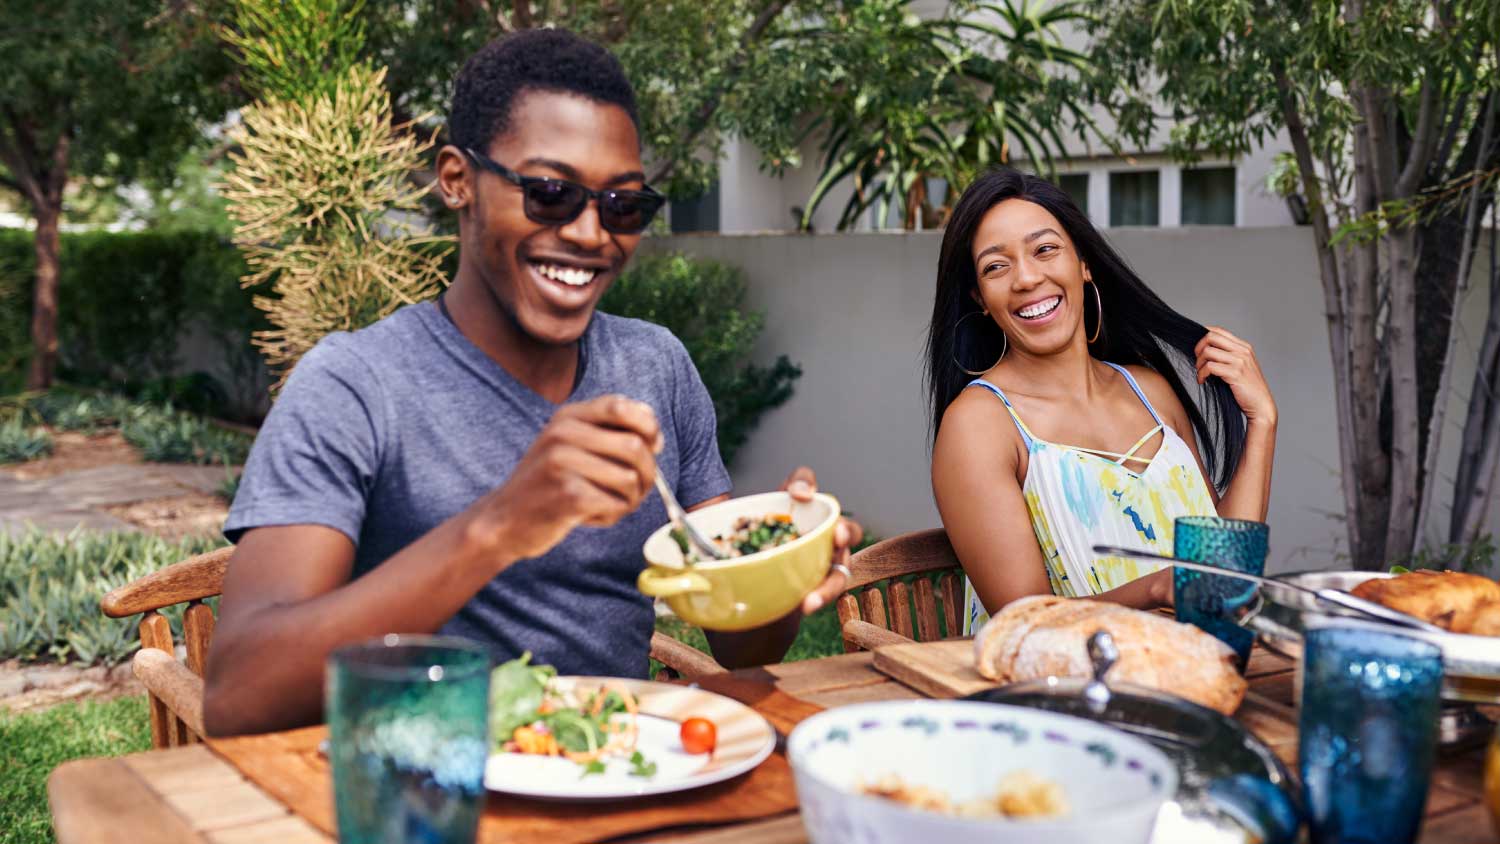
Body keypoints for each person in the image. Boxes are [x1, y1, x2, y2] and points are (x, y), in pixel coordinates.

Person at [202, 29, 858, 737]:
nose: (588, 232)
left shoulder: (656, 368)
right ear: (457, 179)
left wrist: (782, 569)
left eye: (623, 205)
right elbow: (240, 696)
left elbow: (740, 644)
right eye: (550, 194)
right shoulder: (355, 386)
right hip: (424, 791)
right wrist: (501, 525)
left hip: (615, 774)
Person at [925, 169, 1276, 634]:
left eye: (1045, 249)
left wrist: (1262, 422)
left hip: (1185, 677)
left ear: (1083, 262)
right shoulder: (980, 425)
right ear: (981, 299)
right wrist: (1156, 589)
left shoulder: (1150, 392)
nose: (1027, 277)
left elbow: (1221, 571)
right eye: (996, 266)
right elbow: (1025, 625)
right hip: (1054, 698)